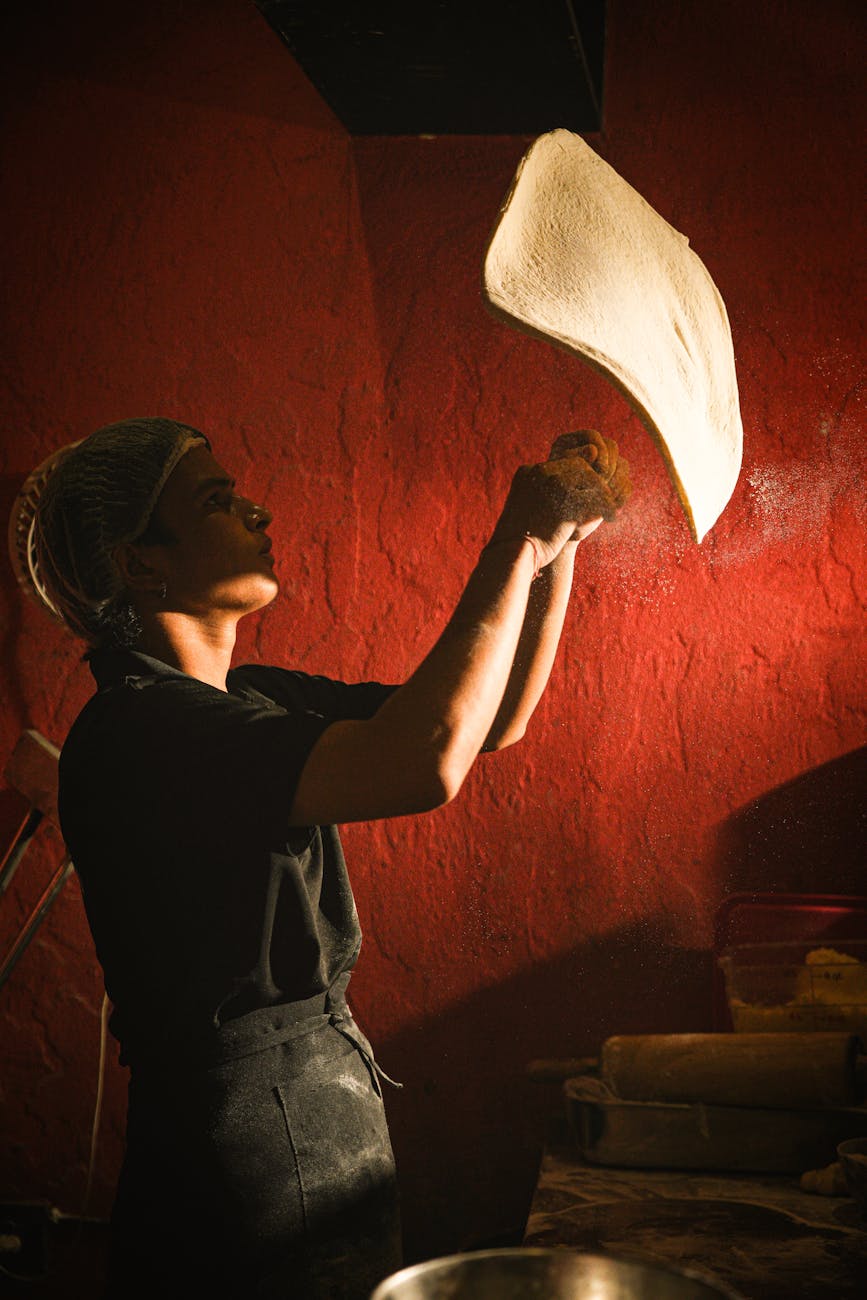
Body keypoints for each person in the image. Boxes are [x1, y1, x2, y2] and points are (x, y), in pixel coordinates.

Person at [33, 416, 630, 1299]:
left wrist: (557, 548)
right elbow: (421, 762)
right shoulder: (143, 730)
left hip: (310, 1105)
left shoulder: (249, 697)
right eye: (217, 501)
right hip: (248, 1142)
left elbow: (485, 725)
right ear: (138, 562)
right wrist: (517, 537)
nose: (258, 512)